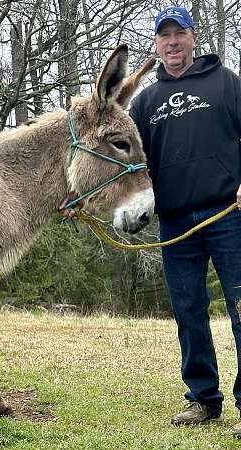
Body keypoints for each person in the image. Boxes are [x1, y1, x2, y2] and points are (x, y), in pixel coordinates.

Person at [130, 6, 241, 436]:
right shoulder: (145, 102)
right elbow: (126, 160)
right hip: (176, 224)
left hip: (228, 216)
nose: (172, 42)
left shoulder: (226, 83)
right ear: (157, 44)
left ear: (193, 38)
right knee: (188, 311)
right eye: (165, 36)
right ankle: (203, 399)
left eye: (180, 34)